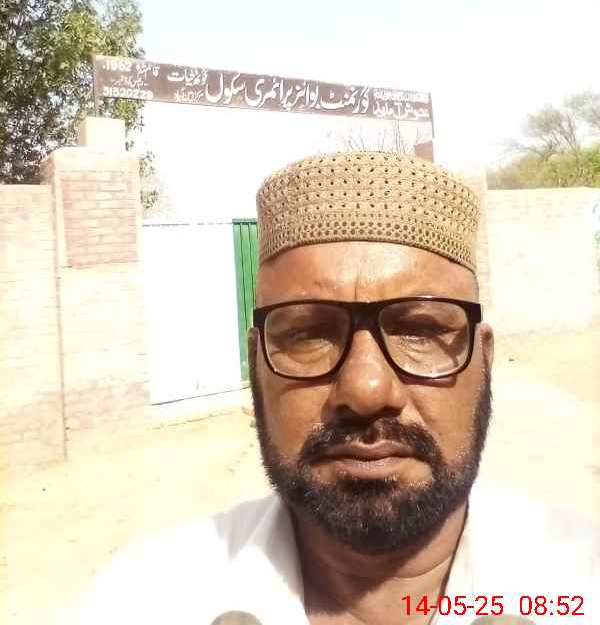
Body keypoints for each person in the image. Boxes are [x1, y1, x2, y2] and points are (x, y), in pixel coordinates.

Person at [67, 152, 598, 625]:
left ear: (484, 360)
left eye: (420, 331)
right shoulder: (142, 598)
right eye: (308, 334)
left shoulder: (580, 581)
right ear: (256, 365)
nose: (366, 390)